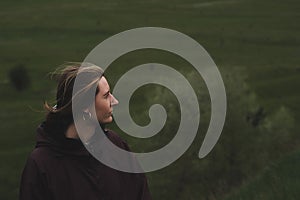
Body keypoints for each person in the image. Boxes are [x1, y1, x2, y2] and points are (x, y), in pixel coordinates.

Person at [19, 62, 152, 200]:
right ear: (85, 107)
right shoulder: (41, 164)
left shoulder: (116, 146)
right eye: (106, 96)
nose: (115, 101)